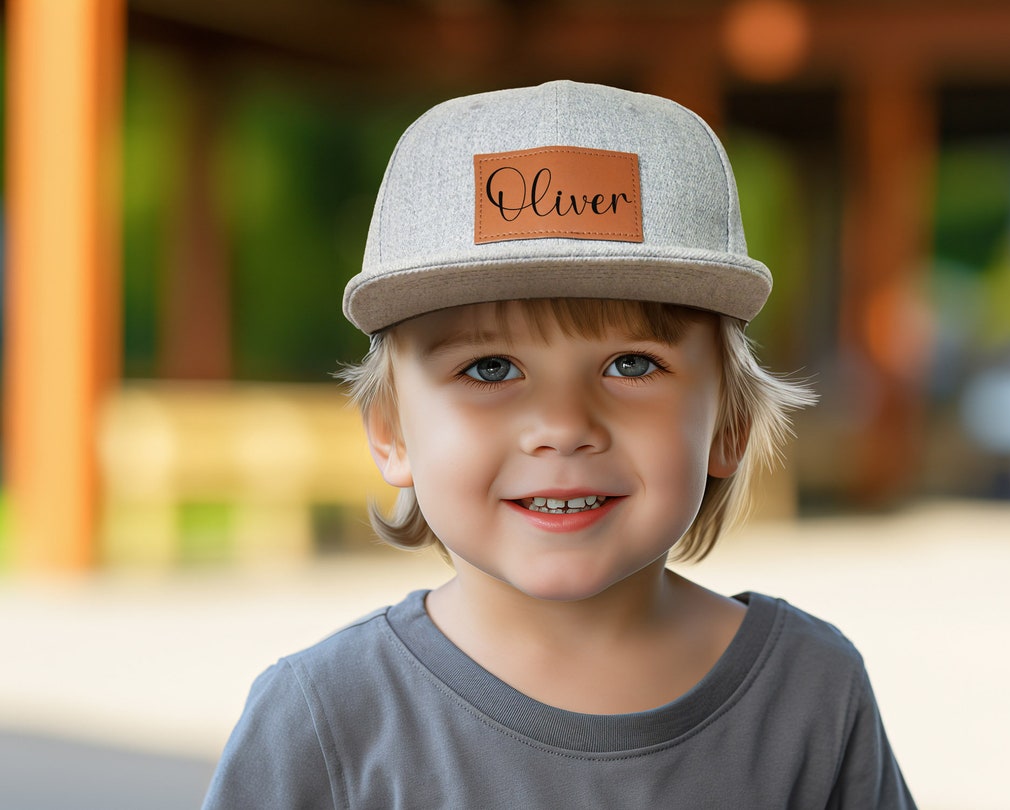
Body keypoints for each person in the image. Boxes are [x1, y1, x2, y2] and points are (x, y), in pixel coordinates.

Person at [202, 80, 916, 809]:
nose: (564, 425)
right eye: (489, 369)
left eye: (632, 364)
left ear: (729, 424)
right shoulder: (324, 721)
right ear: (391, 433)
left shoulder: (813, 696)